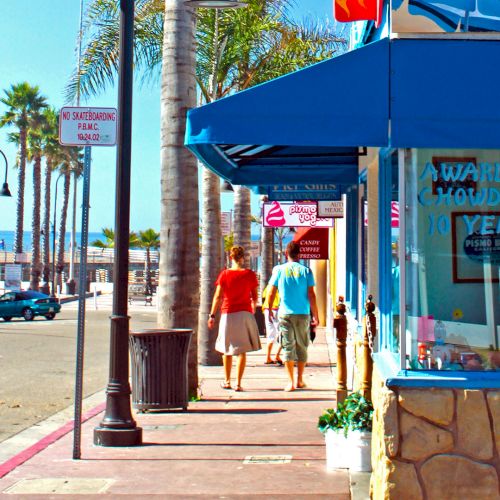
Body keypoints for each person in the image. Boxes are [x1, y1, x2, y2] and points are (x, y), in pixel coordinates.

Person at [208, 246, 261, 391]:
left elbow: (218, 296)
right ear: (243, 258)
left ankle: (227, 381)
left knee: (227, 349)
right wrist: (252, 308)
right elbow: (255, 296)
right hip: (244, 314)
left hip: (228, 313)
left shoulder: (224, 275)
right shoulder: (250, 274)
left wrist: (212, 315)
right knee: (241, 350)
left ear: (231, 258)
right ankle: (238, 383)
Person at [268, 241, 319, 392]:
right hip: (303, 313)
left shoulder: (279, 270)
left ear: (286, 253)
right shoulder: (306, 271)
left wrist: (270, 308)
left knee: (287, 346)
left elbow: (271, 291)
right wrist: (316, 314)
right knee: (302, 345)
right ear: (300, 254)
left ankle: (290, 382)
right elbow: (311, 294)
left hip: (284, 313)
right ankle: (300, 379)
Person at [262, 284, 283, 365]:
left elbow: (264, 298)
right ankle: (277, 355)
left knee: (270, 334)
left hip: (267, 310)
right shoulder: (280, 285)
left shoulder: (268, 286)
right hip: (277, 310)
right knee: (283, 334)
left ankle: (268, 357)